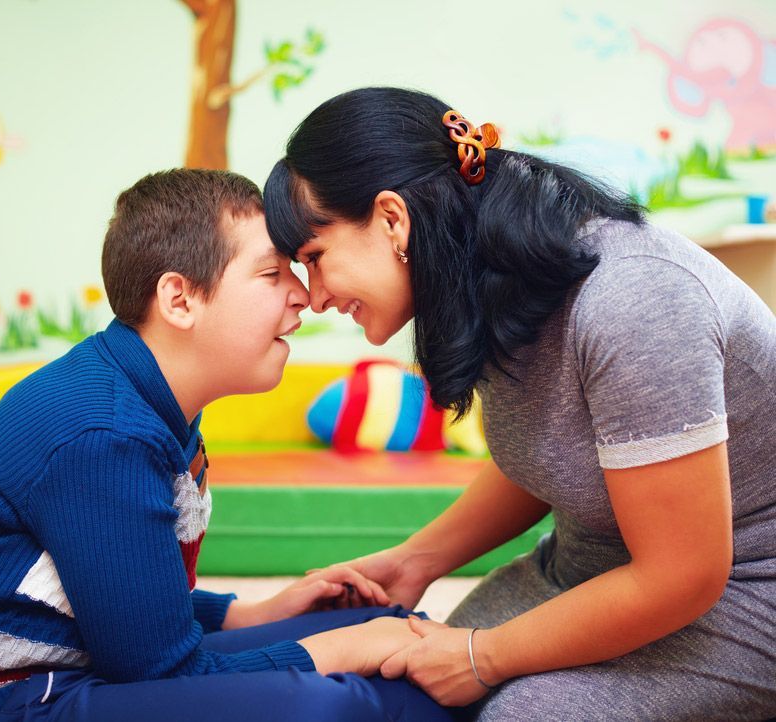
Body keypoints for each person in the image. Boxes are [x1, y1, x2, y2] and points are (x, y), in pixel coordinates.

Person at [263, 87, 776, 720]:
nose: (312, 298)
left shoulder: (634, 298)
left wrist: (486, 656)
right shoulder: (493, 273)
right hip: (591, 568)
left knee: (519, 711)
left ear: (392, 218)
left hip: (742, 594)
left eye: (315, 257)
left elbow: (685, 574)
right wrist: (414, 561)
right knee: (412, 685)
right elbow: (555, 450)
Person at [0, 168, 454, 722]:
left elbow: (126, 599)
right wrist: (349, 652)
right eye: (271, 274)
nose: (303, 296)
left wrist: (253, 613)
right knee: (336, 698)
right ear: (179, 300)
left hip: (80, 668)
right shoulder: (103, 435)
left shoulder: (153, 404)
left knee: (395, 631)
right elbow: (163, 671)